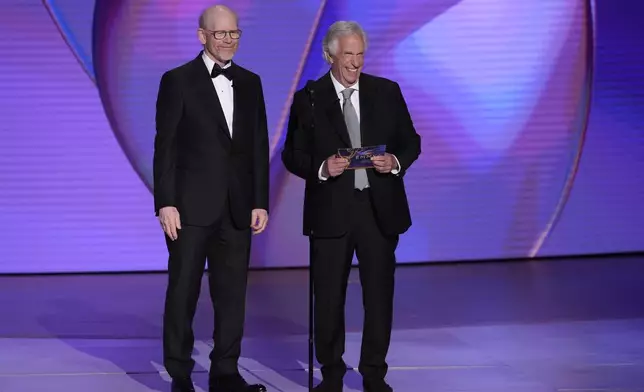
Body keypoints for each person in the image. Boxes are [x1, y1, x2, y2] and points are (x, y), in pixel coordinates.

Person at [281, 21, 421, 392]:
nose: (355, 63)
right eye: (348, 55)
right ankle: (331, 373)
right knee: (328, 297)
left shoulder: (386, 92)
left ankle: (374, 373)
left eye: (360, 54)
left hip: (379, 211)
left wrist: (394, 161)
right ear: (330, 56)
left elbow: (411, 142)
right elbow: (291, 155)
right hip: (331, 211)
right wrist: (323, 167)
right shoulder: (308, 98)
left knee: (379, 296)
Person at [153, 5, 269, 392]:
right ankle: (180, 374)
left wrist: (259, 200)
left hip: (237, 208)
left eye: (234, 33)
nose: (229, 40)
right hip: (189, 208)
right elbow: (165, 145)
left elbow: (257, 146)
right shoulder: (178, 80)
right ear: (202, 36)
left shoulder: (251, 82)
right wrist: (165, 202)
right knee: (183, 290)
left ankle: (225, 373)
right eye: (221, 34)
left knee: (232, 295)